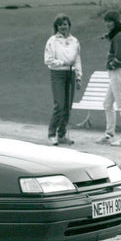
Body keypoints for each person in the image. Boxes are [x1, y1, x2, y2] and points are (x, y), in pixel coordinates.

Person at [44, 14, 82, 145]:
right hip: (58, 74)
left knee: (67, 106)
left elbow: (77, 59)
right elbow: (48, 60)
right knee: (59, 105)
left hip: (70, 74)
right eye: (60, 25)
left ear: (69, 25)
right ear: (56, 27)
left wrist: (78, 77)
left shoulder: (74, 41)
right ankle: (51, 134)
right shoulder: (52, 41)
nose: (63, 27)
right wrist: (63, 62)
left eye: (65, 24)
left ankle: (61, 134)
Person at [97, 10, 121, 146]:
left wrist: (111, 64)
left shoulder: (118, 37)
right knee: (107, 104)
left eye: (110, 21)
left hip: (118, 72)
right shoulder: (117, 36)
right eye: (106, 21)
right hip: (116, 74)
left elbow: (120, 57)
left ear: (115, 22)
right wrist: (109, 36)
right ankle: (109, 134)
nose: (107, 24)